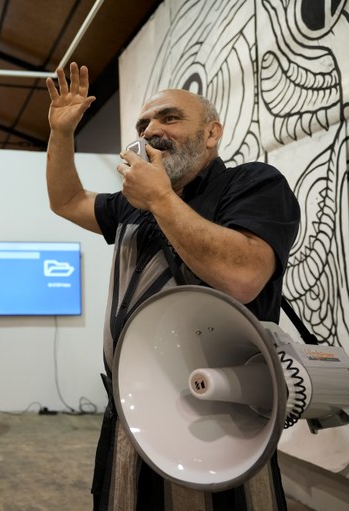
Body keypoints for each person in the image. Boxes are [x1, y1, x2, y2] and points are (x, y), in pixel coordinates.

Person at [46, 63, 300, 510]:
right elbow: (67, 201)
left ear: (211, 133)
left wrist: (161, 199)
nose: (151, 130)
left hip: (220, 424)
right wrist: (62, 134)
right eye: (143, 124)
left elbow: (243, 276)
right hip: (131, 419)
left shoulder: (252, 184)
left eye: (170, 118)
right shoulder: (133, 204)